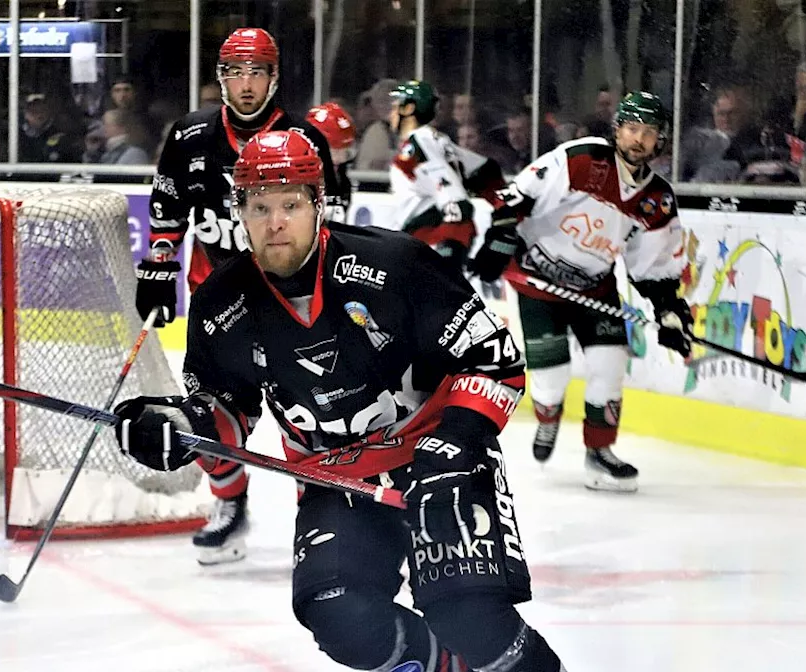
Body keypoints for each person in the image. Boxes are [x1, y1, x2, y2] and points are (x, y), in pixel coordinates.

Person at [116, 130, 566, 672]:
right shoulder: (221, 302)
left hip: (436, 464)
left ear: (317, 205)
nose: (274, 222)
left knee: (471, 619)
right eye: (258, 206)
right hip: (334, 480)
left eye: (289, 204)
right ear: (238, 210)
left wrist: (456, 439)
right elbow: (226, 409)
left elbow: (493, 361)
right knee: (337, 614)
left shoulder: (397, 266)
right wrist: (178, 425)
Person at [136, 27, 337, 565]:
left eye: (257, 72)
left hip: (293, 307)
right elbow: (166, 209)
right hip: (218, 306)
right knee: (204, 419)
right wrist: (158, 265)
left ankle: (318, 527)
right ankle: (230, 508)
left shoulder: (305, 139)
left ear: (275, 77)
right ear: (220, 77)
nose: (246, 85)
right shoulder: (190, 136)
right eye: (234, 72)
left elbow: (329, 221)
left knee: (311, 424)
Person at [470, 91, 690, 492]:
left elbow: (655, 269)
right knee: (551, 380)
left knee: (609, 366)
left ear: (661, 139)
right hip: (539, 280)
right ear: (617, 129)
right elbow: (518, 197)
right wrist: (500, 242)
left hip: (595, 286)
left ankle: (600, 454)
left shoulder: (657, 200)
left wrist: (670, 311)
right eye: (631, 128)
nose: (638, 139)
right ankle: (549, 414)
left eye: (649, 132)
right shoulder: (582, 160)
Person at [387, 80, 504, 270]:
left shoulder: (419, 143)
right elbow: (486, 170)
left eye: (395, 107)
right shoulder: (438, 140)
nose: (390, 114)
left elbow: (455, 202)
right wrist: (505, 215)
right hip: (425, 242)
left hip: (423, 245)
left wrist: (449, 248)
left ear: (408, 109)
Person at [305, 101, 355, 224]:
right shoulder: (299, 182)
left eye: (344, 151)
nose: (340, 159)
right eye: (334, 150)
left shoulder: (343, 181)